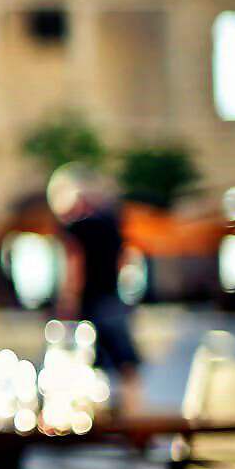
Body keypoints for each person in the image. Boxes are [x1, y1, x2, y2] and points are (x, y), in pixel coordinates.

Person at [49, 163, 142, 414]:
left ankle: (89, 412)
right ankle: (132, 411)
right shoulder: (112, 223)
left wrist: (68, 299)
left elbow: (75, 264)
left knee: (85, 356)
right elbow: (126, 258)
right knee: (124, 360)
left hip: (90, 301)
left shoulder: (76, 229)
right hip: (112, 297)